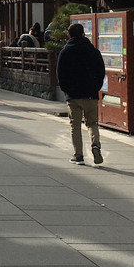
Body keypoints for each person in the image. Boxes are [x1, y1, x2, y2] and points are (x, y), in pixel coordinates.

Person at [55, 23, 105, 165]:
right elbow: (101, 71)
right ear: (84, 34)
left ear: (68, 35)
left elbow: (60, 73)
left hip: (73, 95)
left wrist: (66, 89)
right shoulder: (93, 51)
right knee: (92, 123)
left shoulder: (65, 52)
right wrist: (96, 87)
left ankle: (78, 155)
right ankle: (95, 145)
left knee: (75, 125)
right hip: (90, 93)